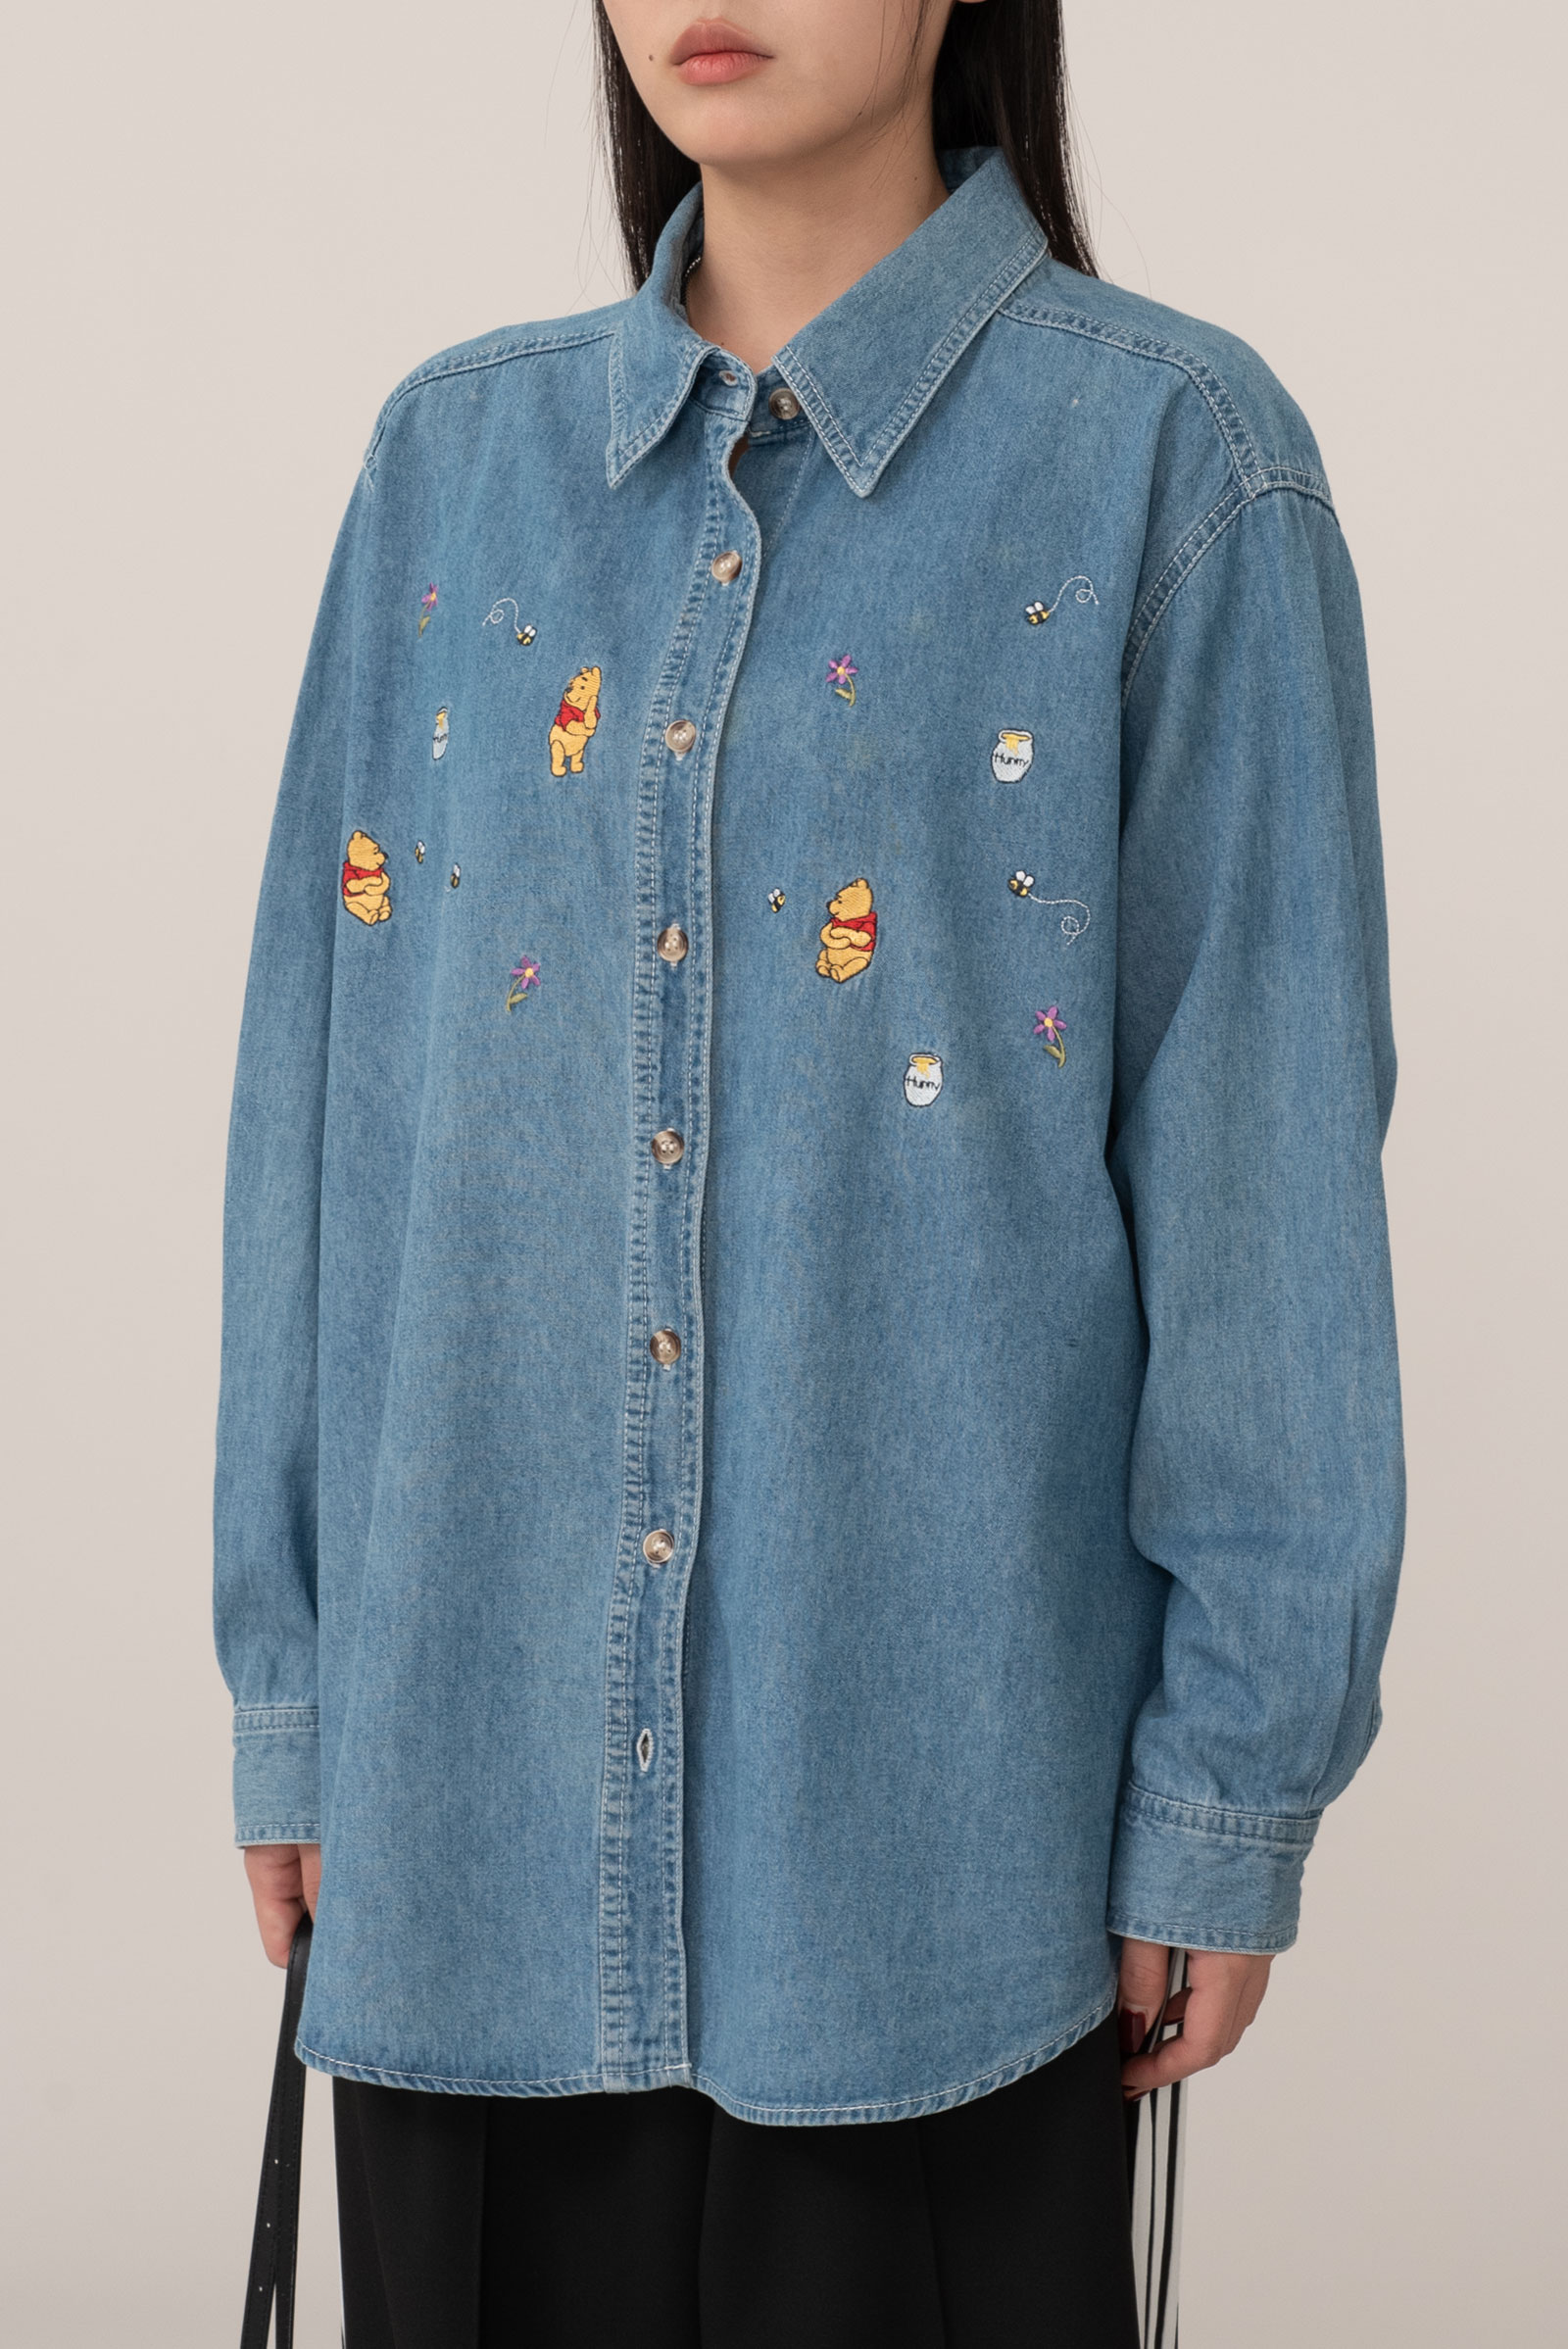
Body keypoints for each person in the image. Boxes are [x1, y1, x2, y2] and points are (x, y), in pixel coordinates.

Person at [217, 4, 1403, 2342]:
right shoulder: (454, 469)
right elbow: (328, 1116)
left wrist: (1225, 1782)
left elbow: (1259, 1163)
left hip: (941, 1884)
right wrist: (300, 1684)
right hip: (467, 1834)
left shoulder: (1171, 466)